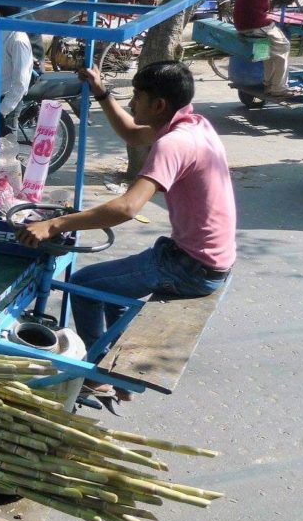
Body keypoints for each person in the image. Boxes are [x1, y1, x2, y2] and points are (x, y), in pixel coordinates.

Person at [16, 62, 236, 399]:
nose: (133, 103)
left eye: (137, 96)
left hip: (190, 265)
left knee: (85, 284)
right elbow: (134, 133)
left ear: (159, 104)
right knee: (114, 290)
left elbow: (127, 207)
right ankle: (117, 371)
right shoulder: (193, 124)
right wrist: (102, 93)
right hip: (204, 258)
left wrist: (55, 223)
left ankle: (98, 373)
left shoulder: (174, 143)